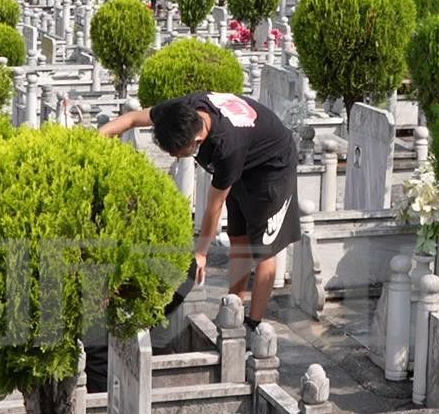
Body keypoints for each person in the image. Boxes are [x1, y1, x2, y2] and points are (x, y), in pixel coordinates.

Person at [100, 92, 298, 329]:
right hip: (245, 162)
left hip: (272, 166)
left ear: (196, 141)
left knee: (263, 249)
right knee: (239, 238)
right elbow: (131, 119)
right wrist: (94, 141)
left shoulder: (227, 147)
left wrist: (201, 253)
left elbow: (214, 206)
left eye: (176, 151)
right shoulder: (180, 112)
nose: (173, 156)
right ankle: (232, 310)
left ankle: (253, 324)